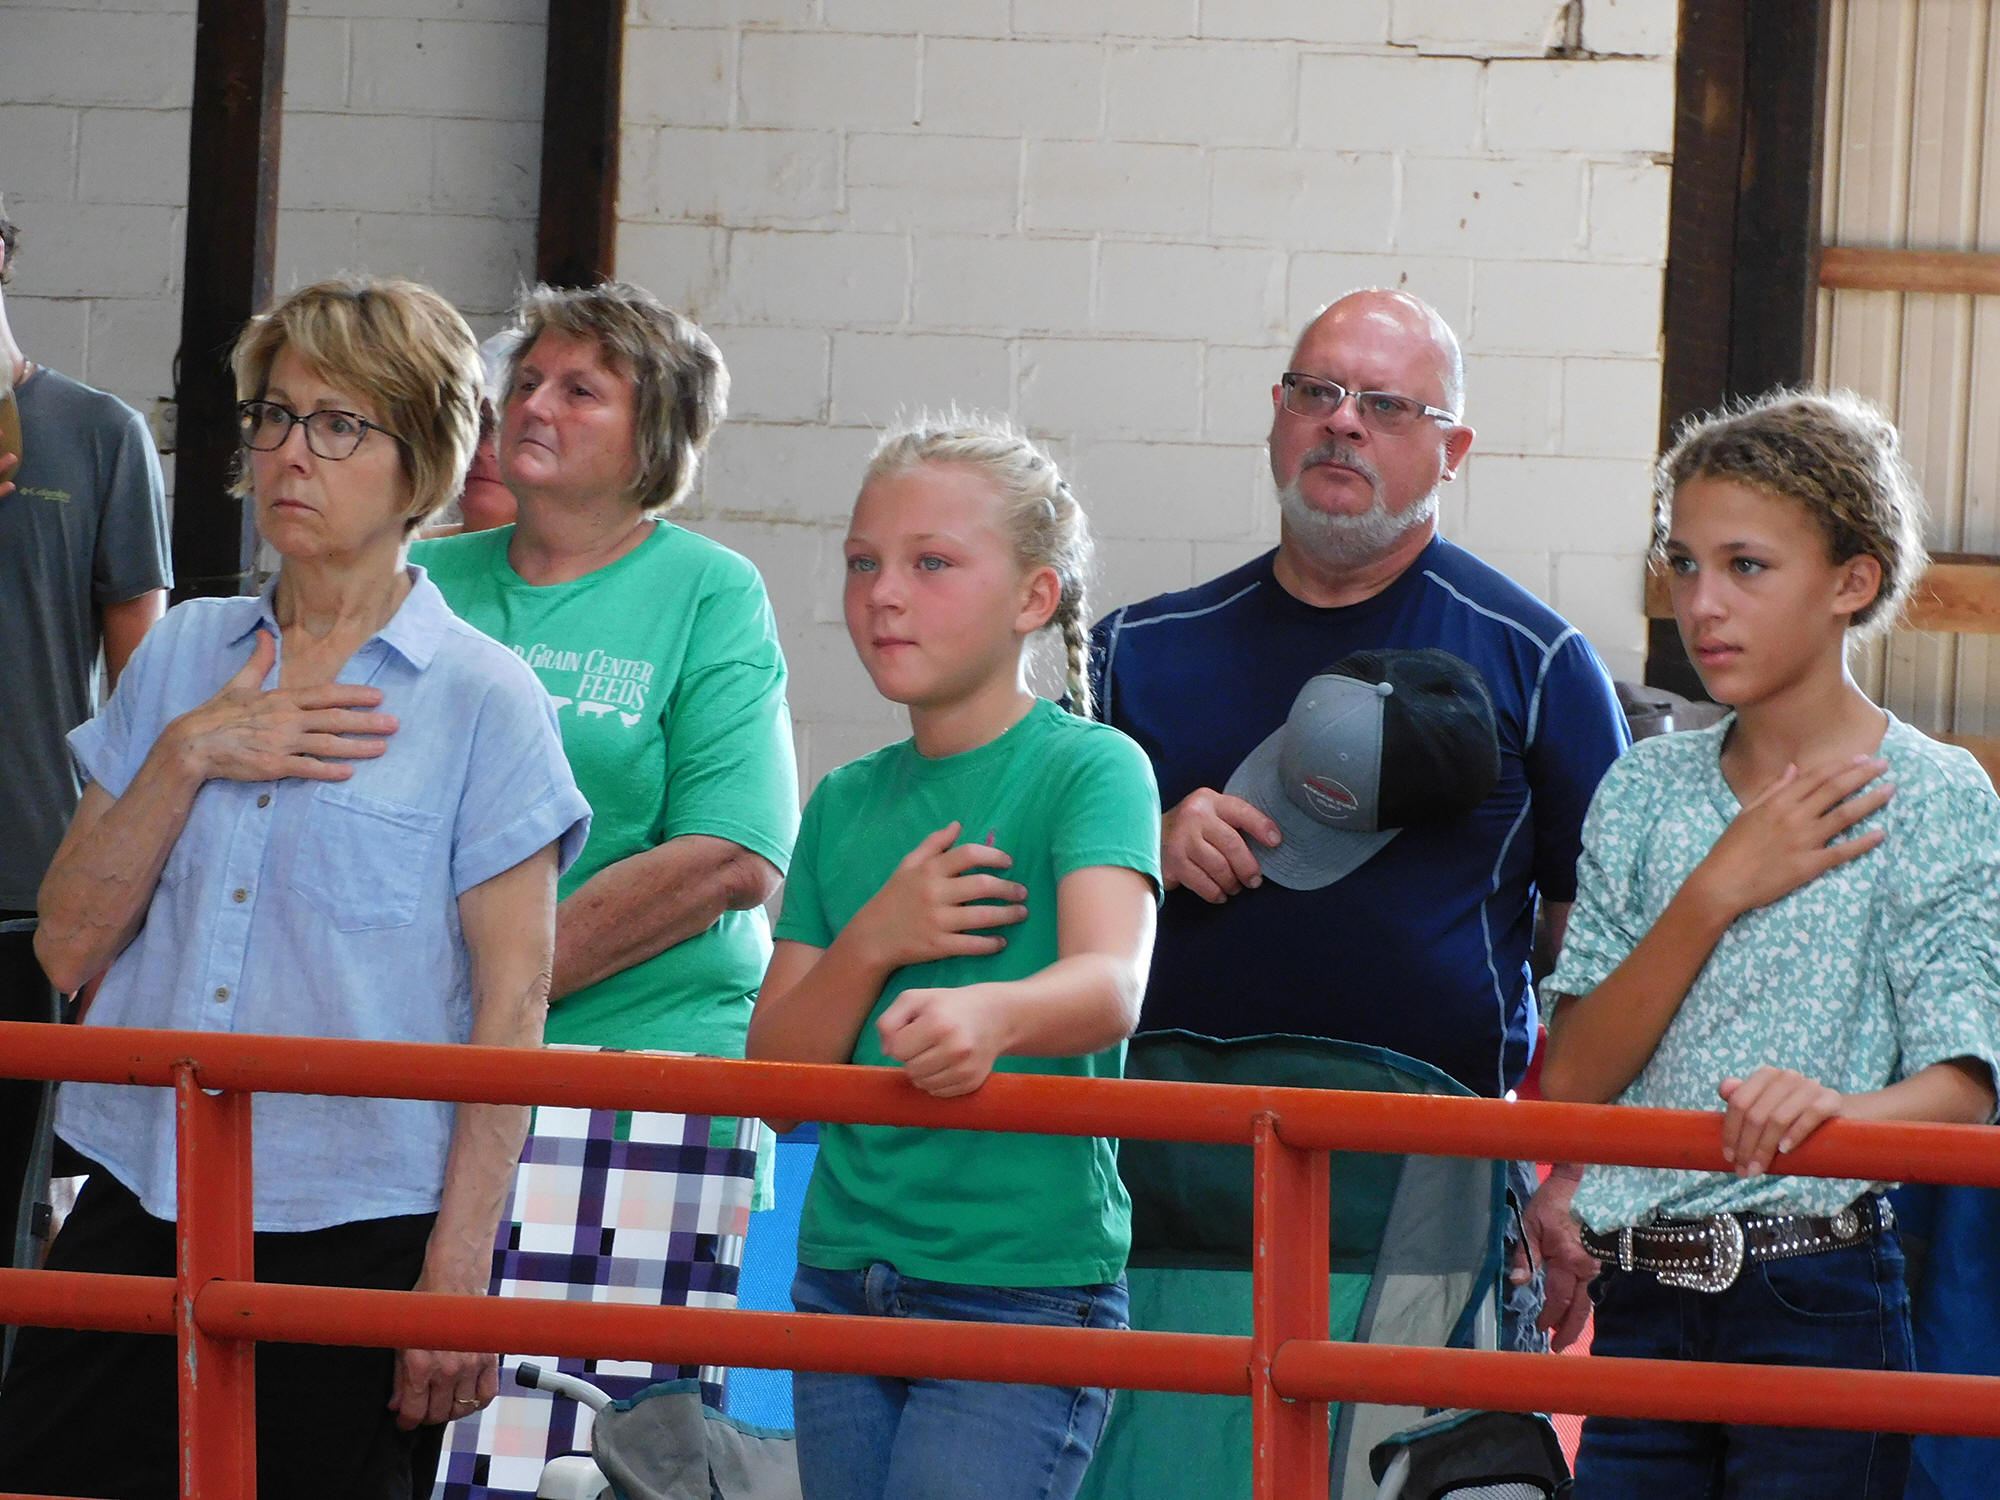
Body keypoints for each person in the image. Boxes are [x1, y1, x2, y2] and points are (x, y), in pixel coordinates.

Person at [0, 277, 592, 1499]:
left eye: (339, 424)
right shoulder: (183, 652)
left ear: (421, 459)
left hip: (358, 1223)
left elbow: (512, 1008)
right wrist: (188, 754)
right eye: (273, 415)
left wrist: (457, 1273)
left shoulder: (485, 700)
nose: (290, 454)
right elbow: (65, 943)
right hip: (145, 1189)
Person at [1089, 288, 1628, 1348]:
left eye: (1385, 405)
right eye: (1315, 392)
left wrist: (1575, 1179)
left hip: (1427, 1199)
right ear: (1276, 416)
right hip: (1158, 1186)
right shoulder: (1130, 656)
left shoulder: (1537, 664)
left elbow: (1611, 960)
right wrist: (1134, 852)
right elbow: (1028, 908)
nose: (1341, 421)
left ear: (1451, 451)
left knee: (1405, 1442)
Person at [1538, 389, 2000, 1498]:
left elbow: (1964, 1085)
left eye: (1746, 566)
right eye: (1683, 564)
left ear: (1851, 582)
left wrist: (1836, 1114)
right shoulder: (1643, 788)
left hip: (1822, 1293)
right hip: (1639, 1302)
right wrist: (1715, 888)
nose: (1702, 604)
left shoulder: (1935, 793)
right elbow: (1573, 1079)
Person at [410, 283, 798, 1497]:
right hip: (416, 1072)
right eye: (526, 381)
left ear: (656, 436)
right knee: (414, 1429)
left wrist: (492, 989)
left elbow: (732, 851)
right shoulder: (423, 577)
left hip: (638, 1073)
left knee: (591, 1452)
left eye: (580, 389)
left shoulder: (708, 590)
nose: (533, 404)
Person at [746, 416, 1160, 1500]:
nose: (884, 594)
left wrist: (992, 1015)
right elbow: (775, 1080)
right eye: (862, 563)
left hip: (1018, 1283)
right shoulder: (844, 801)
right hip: (843, 1274)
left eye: (930, 564)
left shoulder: (1093, 769)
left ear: (1034, 597)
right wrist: (876, 938)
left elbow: (1111, 982)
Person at [0, 192, 172, 1250]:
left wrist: (124, 904)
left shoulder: (100, 433)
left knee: (15, 1216)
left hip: (24, 892)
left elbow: (147, 699)